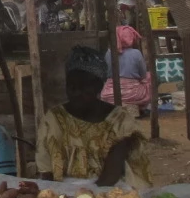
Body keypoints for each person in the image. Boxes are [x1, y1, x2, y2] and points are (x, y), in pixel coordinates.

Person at [37, 45, 151, 187]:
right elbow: (46, 171)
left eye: (85, 86)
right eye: (71, 86)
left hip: (109, 192)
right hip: (63, 193)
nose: (77, 92)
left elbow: (110, 176)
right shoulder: (54, 120)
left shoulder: (119, 121)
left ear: (99, 86)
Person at [100, 26, 153, 112]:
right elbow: (143, 75)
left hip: (109, 95)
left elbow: (106, 73)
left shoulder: (108, 53)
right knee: (149, 77)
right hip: (132, 94)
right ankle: (143, 107)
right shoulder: (136, 53)